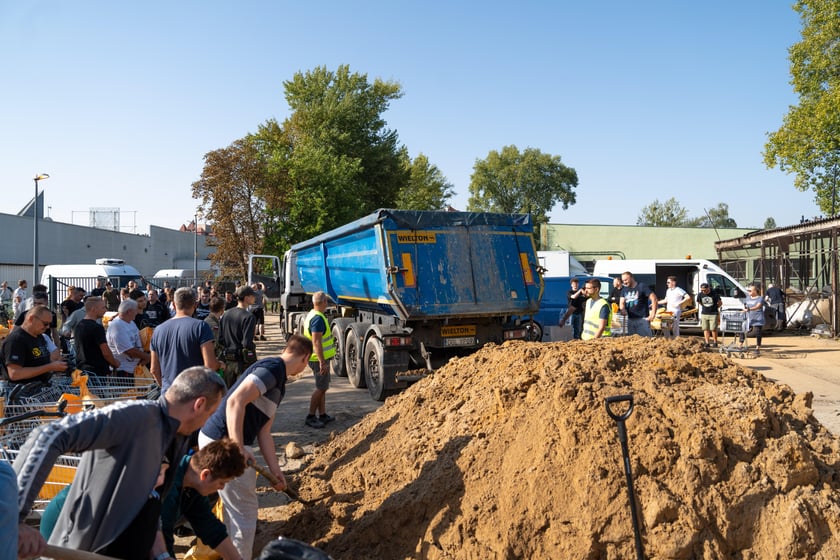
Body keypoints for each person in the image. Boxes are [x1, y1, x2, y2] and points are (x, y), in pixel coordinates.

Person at [14, 366, 226, 557]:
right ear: (199, 404)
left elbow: (149, 504)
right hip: (86, 550)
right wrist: (15, 517)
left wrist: (161, 554)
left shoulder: (174, 437)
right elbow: (48, 435)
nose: (208, 422)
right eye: (212, 413)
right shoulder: (135, 418)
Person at [198, 335, 313, 559]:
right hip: (221, 442)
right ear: (305, 358)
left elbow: (264, 432)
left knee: (235, 511)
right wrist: (236, 447)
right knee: (245, 513)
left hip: (220, 440)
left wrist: (276, 471)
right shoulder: (272, 369)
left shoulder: (278, 381)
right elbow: (235, 402)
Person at [159, 439, 247, 560]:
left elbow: (210, 528)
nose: (221, 488)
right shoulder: (167, 487)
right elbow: (162, 542)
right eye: (221, 483)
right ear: (205, 475)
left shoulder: (191, 483)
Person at [150, 287, 222, 393]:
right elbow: (210, 365)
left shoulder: (158, 330)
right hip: (193, 394)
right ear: (195, 305)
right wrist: (220, 365)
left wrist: (165, 387)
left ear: (174, 305)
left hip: (169, 396)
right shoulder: (201, 327)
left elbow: (154, 370)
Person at [1, 304, 67, 386]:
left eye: (49, 324)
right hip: (20, 393)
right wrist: (50, 367)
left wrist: (57, 364)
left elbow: (38, 362)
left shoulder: (39, 337)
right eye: (45, 323)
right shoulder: (16, 340)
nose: (47, 327)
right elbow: (14, 374)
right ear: (31, 319)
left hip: (38, 389)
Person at [303, 291, 336, 428]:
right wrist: (322, 362)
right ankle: (311, 416)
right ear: (324, 302)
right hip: (318, 359)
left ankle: (322, 415)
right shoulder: (318, 319)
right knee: (321, 388)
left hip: (316, 357)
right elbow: (317, 342)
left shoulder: (312, 314)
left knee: (322, 387)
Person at [218, 286, 257, 388]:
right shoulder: (249, 317)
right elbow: (246, 343)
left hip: (227, 361)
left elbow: (220, 339)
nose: (254, 298)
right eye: (252, 296)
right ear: (246, 298)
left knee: (227, 394)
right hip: (241, 363)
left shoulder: (226, 314)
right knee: (241, 394)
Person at [73, 296, 119, 376]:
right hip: (96, 371)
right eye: (103, 307)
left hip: (82, 369)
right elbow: (106, 352)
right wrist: (114, 363)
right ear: (94, 309)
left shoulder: (79, 326)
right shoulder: (97, 328)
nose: (105, 310)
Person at [107, 299, 151, 377]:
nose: (137, 312)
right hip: (123, 371)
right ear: (129, 312)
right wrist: (147, 357)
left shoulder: (130, 322)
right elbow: (128, 350)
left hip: (133, 369)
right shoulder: (117, 326)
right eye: (135, 310)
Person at [619, 271, 658, 337]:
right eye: (623, 281)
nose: (624, 282)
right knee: (632, 343)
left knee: (646, 341)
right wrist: (622, 309)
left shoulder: (641, 286)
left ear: (631, 277)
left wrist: (653, 314)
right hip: (630, 320)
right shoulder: (624, 289)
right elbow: (622, 302)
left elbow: (654, 298)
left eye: (626, 280)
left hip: (642, 320)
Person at [740, 283, 766, 356]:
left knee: (758, 333)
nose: (749, 292)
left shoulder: (760, 298)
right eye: (748, 291)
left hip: (758, 318)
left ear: (755, 291)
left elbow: (758, 306)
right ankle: (741, 345)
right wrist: (744, 309)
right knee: (743, 329)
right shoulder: (748, 298)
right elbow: (745, 306)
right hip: (749, 318)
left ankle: (757, 348)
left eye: (750, 291)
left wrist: (748, 309)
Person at [696, 282, 722, 348]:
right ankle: (707, 342)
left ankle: (715, 342)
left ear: (708, 288)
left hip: (713, 313)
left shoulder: (714, 293)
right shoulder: (700, 294)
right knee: (705, 329)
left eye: (704, 290)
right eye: (702, 290)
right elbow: (699, 302)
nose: (703, 291)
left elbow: (720, 303)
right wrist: (705, 307)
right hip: (704, 313)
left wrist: (715, 308)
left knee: (713, 329)